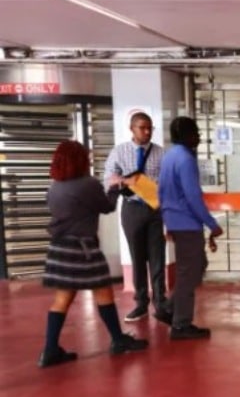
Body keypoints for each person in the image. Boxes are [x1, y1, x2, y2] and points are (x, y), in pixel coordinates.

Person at [38, 140, 148, 368]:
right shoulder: (87, 184)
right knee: (104, 292)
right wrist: (116, 188)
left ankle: (49, 351)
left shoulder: (54, 187)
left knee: (62, 299)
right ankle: (118, 341)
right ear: (81, 160)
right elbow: (106, 206)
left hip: (59, 248)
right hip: (83, 248)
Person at [158, 117, 224, 339]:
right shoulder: (185, 159)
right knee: (189, 273)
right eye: (195, 132)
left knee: (196, 266)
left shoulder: (169, 157)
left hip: (175, 222)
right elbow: (193, 197)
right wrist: (212, 224)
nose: (199, 136)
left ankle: (169, 308)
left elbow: (162, 192)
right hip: (187, 224)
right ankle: (181, 323)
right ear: (186, 135)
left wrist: (167, 221)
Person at [103, 112, 170, 323]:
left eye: (150, 128)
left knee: (157, 256)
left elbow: (169, 180)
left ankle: (160, 301)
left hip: (155, 210)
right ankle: (141, 302)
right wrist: (125, 181)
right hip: (132, 209)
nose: (147, 132)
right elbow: (108, 179)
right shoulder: (119, 151)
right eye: (142, 128)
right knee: (137, 256)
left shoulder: (160, 153)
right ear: (132, 128)